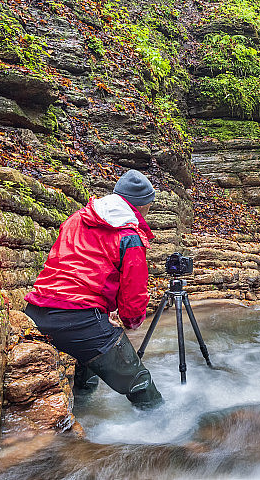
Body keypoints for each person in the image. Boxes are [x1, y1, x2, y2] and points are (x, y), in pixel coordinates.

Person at [23, 169, 163, 409]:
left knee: (86, 361)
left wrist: (100, 308)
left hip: (36, 310)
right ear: (142, 206)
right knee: (138, 381)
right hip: (78, 319)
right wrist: (130, 323)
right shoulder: (130, 237)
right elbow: (134, 295)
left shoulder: (77, 218)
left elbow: (70, 265)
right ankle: (165, 426)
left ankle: (84, 412)